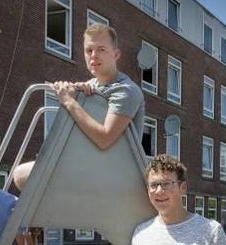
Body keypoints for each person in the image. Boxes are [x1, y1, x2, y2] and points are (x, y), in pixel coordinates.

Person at [12, 23, 145, 191]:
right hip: (87, 161)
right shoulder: (89, 85)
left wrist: (69, 101)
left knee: (22, 175)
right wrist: (74, 91)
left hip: (113, 170)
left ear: (116, 54)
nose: (93, 56)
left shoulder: (126, 90)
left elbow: (105, 138)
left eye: (101, 49)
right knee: (22, 173)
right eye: (89, 50)